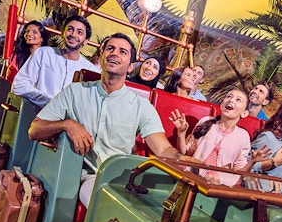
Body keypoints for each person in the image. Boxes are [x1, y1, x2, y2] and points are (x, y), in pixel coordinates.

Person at [28, 32, 182, 206]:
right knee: (105, 204)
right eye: (110, 49)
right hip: (89, 178)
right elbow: (34, 130)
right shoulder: (74, 91)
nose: (115, 53)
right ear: (102, 57)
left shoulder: (142, 106)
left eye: (123, 51)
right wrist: (67, 124)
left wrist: (181, 159)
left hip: (125, 181)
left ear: (131, 66)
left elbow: (163, 150)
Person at [168, 88, 252, 186]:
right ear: (221, 105)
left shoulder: (243, 136)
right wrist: (181, 133)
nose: (231, 100)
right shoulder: (206, 121)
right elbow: (185, 152)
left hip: (218, 185)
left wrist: (252, 161)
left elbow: (240, 171)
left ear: (244, 113)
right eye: (229, 96)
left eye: (238, 100)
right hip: (192, 177)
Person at [12, 15, 101, 107]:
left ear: (86, 41)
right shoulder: (44, 53)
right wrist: (50, 101)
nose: (73, 34)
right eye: (70, 29)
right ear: (63, 32)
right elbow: (19, 85)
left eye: (80, 32)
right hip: (38, 116)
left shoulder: (92, 71)